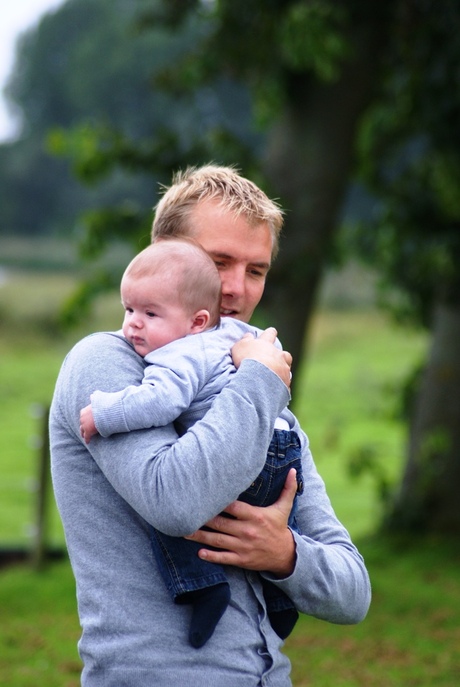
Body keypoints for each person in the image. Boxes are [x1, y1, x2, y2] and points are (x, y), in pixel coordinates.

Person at [50, 164, 371, 687]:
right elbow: (175, 502)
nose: (237, 290)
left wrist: (286, 554)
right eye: (219, 261)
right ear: (164, 252)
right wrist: (261, 383)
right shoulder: (107, 365)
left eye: (257, 270)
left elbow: (354, 593)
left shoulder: (257, 393)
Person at [79, 237, 304, 648]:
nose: (132, 324)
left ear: (197, 320)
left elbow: (160, 401)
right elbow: (272, 369)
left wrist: (105, 413)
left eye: (149, 312)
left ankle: (202, 586)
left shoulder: (178, 352)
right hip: (284, 447)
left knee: (175, 510)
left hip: (247, 447)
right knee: (278, 513)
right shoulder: (238, 334)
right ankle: (281, 598)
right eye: (129, 310)